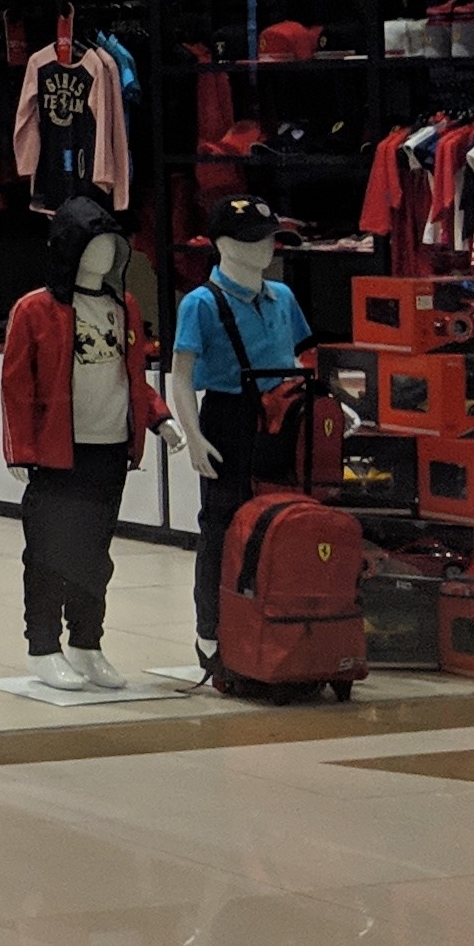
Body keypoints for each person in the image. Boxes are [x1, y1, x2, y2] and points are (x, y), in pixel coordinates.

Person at [0, 193, 163, 693]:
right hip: (57, 453)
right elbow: (15, 385)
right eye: (93, 244)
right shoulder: (34, 309)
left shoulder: (123, 306)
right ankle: (43, 647)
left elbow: (133, 377)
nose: (105, 254)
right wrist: (20, 450)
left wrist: (159, 419)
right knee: (48, 552)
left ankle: (87, 643)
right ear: (69, 248)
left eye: (112, 244)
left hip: (110, 448)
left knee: (96, 554)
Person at [170, 195, 310, 673]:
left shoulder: (283, 297)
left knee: (283, 519)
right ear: (224, 244)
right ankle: (210, 633)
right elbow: (181, 376)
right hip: (227, 419)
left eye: (271, 238)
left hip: (283, 416)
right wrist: (193, 435)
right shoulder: (200, 303)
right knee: (221, 526)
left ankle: (279, 626)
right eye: (254, 239)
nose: (266, 248)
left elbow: (298, 358)